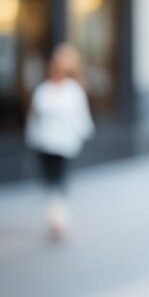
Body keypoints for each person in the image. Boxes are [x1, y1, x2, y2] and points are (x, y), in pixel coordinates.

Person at [25, 44, 94, 240]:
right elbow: (34, 116)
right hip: (45, 142)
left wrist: (82, 135)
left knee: (60, 179)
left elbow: (81, 117)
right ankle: (56, 216)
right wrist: (31, 137)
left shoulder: (73, 91)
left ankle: (58, 218)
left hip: (64, 143)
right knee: (50, 180)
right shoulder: (43, 91)